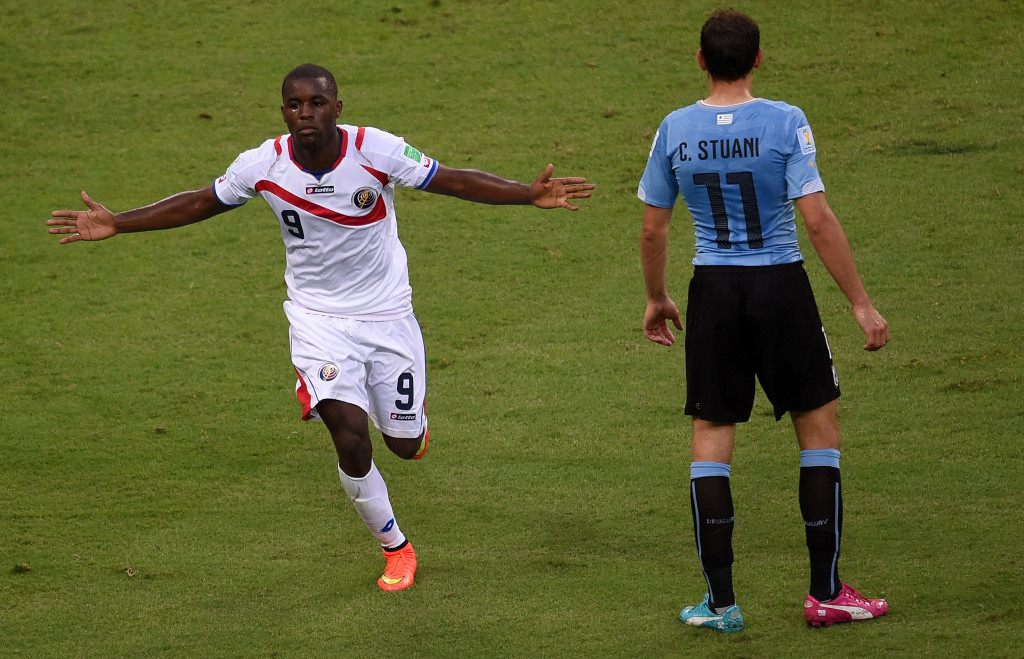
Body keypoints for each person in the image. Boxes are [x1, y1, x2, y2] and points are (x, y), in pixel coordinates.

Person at [48, 63, 594, 592]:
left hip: (386, 316)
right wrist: (119, 222)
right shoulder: (263, 163)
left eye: (316, 102)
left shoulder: (374, 150)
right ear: (283, 111)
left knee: (403, 445)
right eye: (294, 103)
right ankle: (396, 548)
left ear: (337, 107)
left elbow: (449, 179)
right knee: (349, 435)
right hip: (317, 321)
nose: (304, 112)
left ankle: (412, 423)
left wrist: (527, 192)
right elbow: (200, 202)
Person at [638, 10, 889, 631]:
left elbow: (653, 226)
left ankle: (721, 604)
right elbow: (818, 219)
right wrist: (860, 301)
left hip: (712, 291)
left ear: (700, 59)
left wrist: (657, 296)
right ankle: (825, 593)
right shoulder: (785, 121)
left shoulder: (674, 129)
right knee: (818, 431)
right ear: (758, 59)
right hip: (780, 287)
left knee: (711, 439)